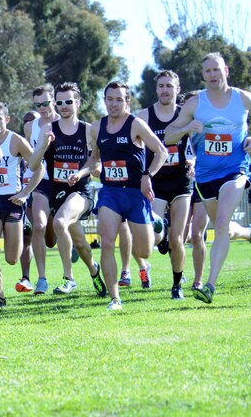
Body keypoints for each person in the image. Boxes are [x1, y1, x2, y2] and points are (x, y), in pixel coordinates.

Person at [164, 52, 251, 303]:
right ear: (203, 75)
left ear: (226, 71)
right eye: (207, 71)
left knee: (221, 223)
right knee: (224, 228)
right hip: (204, 176)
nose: (212, 75)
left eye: (216, 70)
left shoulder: (243, 99)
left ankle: (209, 285)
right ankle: (245, 232)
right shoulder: (195, 104)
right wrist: (185, 128)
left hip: (235, 170)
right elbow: (168, 136)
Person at [17, 82, 105, 298]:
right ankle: (94, 270)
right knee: (82, 245)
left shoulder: (88, 130)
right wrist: (45, 145)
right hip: (57, 195)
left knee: (58, 222)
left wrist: (81, 173)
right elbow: (34, 164)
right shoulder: (48, 130)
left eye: (69, 101)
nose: (64, 106)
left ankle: (69, 279)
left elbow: (96, 164)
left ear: (78, 103)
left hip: (80, 192)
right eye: (60, 102)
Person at [89, 81, 168, 310]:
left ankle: (159, 226)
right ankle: (115, 299)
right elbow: (95, 156)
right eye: (110, 99)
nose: (114, 104)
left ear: (127, 102)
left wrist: (148, 175)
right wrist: (92, 167)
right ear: (104, 100)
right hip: (110, 193)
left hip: (135, 193)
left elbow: (161, 151)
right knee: (106, 244)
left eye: (119, 99)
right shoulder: (97, 128)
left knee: (144, 251)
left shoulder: (136, 124)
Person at [136, 70, 191, 299]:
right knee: (155, 239)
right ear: (156, 89)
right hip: (155, 184)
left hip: (181, 183)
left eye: (169, 86)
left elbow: (195, 144)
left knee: (178, 239)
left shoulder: (185, 114)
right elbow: (134, 146)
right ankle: (163, 234)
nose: (165, 90)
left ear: (177, 89)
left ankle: (176, 285)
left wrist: (194, 161)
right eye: (161, 86)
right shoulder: (144, 117)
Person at [0, 102, 33, 308]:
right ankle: (0, 297)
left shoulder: (16, 141)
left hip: (13, 201)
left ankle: (21, 230)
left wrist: (25, 193)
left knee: (12, 258)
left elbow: (38, 167)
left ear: (7, 119)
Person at [18, 85, 58, 293]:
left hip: (63, 183)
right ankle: (41, 279)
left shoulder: (64, 122)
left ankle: (88, 269)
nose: (42, 108)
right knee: (39, 226)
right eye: (38, 104)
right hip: (40, 182)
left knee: (55, 236)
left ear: (54, 101)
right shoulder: (30, 127)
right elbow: (32, 158)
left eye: (46, 103)